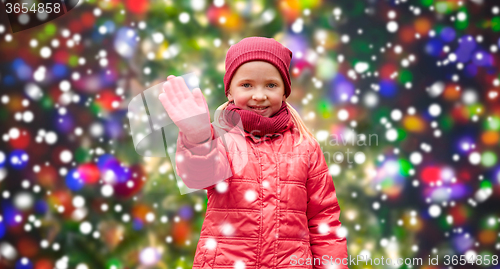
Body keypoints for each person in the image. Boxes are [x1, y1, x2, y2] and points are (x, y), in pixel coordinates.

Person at [159, 37, 348, 269]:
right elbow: (199, 175)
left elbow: (323, 220)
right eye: (247, 85)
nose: (259, 95)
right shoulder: (222, 138)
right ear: (229, 92)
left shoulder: (305, 145)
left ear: (285, 92)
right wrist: (198, 138)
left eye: (271, 85)